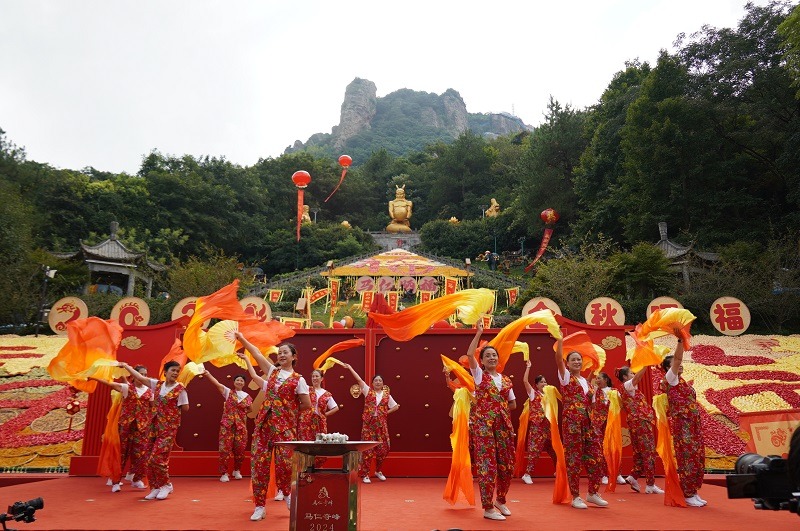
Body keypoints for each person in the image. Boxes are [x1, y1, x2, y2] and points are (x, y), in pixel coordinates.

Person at [235, 333, 311, 521]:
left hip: (285, 428)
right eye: (279, 353)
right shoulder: (272, 372)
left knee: (285, 464)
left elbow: (306, 404)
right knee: (259, 465)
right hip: (264, 425)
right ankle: (260, 505)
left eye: (285, 352)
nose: (281, 355)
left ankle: (287, 494)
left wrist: (288, 410)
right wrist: (242, 338)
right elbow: (257, 353)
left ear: (294, 357)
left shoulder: (298, 380)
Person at [467, 321, 516, 521]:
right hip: (484, 427)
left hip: (503, 426)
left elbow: (512, 403)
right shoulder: (479, 376)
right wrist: (479, 333)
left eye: (494, 355)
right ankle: (488, 508)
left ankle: (500, 500)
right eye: (487, 355)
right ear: (482, 361)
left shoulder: (506, 380)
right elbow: (470, 354)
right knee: (488, 466)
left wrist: (500, 410)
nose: (492, 357)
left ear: (498, 358)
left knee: (507, 464)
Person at [120, 360, 189, 501]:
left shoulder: (180, 389)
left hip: (168, 428)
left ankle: (166, 484)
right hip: (153, 426)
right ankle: (155, 487)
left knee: (158, 458)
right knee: (147, 458)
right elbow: (140, 378)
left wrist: (171, 410)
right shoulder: (157, 385)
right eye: (173, 370)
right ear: (165, 372)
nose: (175, 373)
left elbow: (186, 407)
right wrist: (126, 366)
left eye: (177, 371)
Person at [554, 340, 608, 509]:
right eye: (573, 360)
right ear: (567, 364)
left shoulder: (586, 380)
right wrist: (560, 341)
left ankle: (592, 493)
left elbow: (591, 402)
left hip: (588, 423)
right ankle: (576, 496)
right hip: (572, 424)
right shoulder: (566, 378)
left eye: (579, 359)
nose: (577, 361)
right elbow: (558, 359)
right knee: (574, 460)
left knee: (596, 457)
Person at [89, 365, 152, 492]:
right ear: (133, 376)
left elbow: (151, 408)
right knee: (121, 453)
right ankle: (116, 481)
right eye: (141, 374)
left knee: (141, 454)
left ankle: (136, 479)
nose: (144, 376)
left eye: (145, 374)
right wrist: (94, 378)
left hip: (142, 427)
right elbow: (110, 384)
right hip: (125, 425)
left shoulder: (150, 391)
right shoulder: (127, 388)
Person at [660, 340, 707, 507]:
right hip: (683, 424)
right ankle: (687, 493)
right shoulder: (670, 379)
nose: (679, 365)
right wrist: (680, 340)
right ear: (667, 368)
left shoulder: (683, 381)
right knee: (687, 456)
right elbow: (679, 358)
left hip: (694, 423)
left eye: (678, 363)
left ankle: (694, 490)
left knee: (698, 456)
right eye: (674, 363)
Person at [342, 363, 399, 483]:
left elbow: (395, 406)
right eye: (376, 380)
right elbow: (359, 379)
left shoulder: (387, 395)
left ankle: (378, 470)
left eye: (380, 380)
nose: (378, 382)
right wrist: (350, 368)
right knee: (367, 450)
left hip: (381, 425)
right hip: (368, 424)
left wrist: (385, 413)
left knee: (384, 448)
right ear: (372, 383)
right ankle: (365, 474)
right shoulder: (368, 391)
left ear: (383, 384)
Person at [615, 366, 663, 494]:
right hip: (640, 421)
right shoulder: (627, 386)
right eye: (631, 373)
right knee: (648, 452)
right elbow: (637, 378)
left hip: (635, 422)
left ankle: (633, 476)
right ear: (625, 377)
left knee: (639, 452)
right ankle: (650, 484)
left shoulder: (628, 390)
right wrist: (646, 364)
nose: (633, 374)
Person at [201, 368, 253, 483]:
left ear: (244, 383)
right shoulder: (228, 392)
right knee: (225, 449)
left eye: (242, 381)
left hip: (240, 426)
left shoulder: (247, 396)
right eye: (237, 380)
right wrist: (208, 374)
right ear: (234, 382)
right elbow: (216, 383)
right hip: (227, 425)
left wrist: (239, 415)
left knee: (240, 450)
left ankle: (237, 470)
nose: (239, 382)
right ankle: (224, 473)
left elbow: (250, 409)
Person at [520, 360, 557, 485]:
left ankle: (559, 471)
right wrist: (528, 367)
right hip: (537, 427)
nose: (544, 383)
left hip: (548, 427)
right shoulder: (533, 394)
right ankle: (527, 474)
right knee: (534, 452)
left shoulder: (550, 395)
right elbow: (525, 381)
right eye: (541, 382)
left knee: (555, 450)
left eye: (545, 381)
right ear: (536, 385)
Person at [298, 368, 340, 467]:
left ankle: (317, 467)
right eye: (313, 376)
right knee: (305, 443)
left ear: (322, 379)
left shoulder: (326, 394)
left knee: (320, 443)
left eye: (317, 376)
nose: (314, 378)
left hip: (319, 423)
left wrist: (324, 415)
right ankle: (304, 469)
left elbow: (336, 408)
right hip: (306, 422)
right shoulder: (307, 390)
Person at [591, 372, 626, 486]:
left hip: (612, 423)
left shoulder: (614, 391)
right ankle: (604, 475)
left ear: (606, 379)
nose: (597, 380)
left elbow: (622, 404)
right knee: (601, 449)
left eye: (599, 378)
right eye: (596, 379)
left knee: (614, 447)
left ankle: (617, 474)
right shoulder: (595, 391)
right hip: (598, 424)